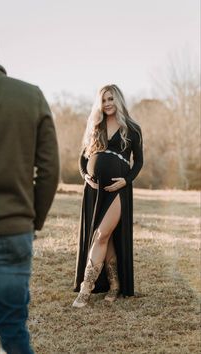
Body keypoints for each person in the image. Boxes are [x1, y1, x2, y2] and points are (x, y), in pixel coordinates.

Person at [0, 18, 59, 353]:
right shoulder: (30, 96)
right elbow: (49, 170)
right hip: (13, 229)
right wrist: (32, 220)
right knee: (13, 328)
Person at [73, 84, 143, 308]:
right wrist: (85, 175)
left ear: (119, 99)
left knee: (101, 234)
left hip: (117, 190)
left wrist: (127, 180)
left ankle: (86, 289)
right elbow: (83, 158)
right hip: (94, 190)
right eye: (103, 100)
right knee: (106, 237)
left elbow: (139, 161)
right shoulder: (95, 125)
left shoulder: (132, 128)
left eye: (111, 98)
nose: (107, 103)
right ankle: (114, 285)